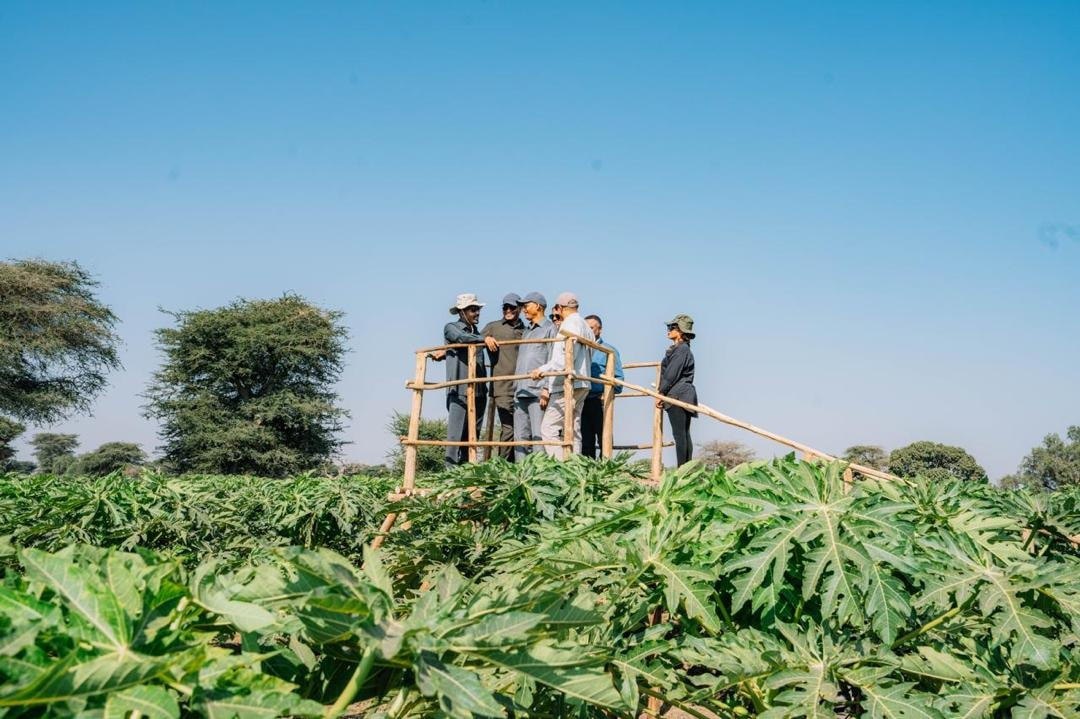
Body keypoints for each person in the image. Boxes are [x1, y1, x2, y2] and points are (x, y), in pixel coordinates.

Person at [530, 292, 594, 458]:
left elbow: (565, 358)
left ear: (559, 308)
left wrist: (542, 370)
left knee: (549, 428)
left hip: (567, 383)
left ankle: (562, 465)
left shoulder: (569, 325)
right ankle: (575, 464)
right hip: (583, 381)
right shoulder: (586, 326)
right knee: (573, 427)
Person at [443, 293, 499, 466]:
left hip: (479, 391)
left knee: (473, 434)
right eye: (473, 310)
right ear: (462, 312)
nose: (477, 313)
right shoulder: (451, 328)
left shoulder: (476, 333)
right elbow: (461, 338)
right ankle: (450, 472)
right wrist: (484, 339)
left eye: (478, 309)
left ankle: (467, 469)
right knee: (455, 435)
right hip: (459, 390)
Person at [480, 293, 525, 460]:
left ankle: (517, 464)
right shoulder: (493, 327)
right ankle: (502, 465)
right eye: (505, 307)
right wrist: (485, 338)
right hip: (502, 386)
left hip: (524, 386)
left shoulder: (527, 330)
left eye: (512, 307)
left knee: (523, 427)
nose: (508, 310)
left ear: (520, 308)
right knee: (508, 426)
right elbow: (474, 339)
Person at [512, 292, 556, 461]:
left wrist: (546, 388)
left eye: (526, 306)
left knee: (539, 436)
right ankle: (521, 472)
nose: (523, 309)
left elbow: (553, 359)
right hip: (520, 389)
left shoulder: (550, 329)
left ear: (537, 306)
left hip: (537, 391)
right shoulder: (527, 331)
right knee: (520, 437)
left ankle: (540, 472)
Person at [657, 314, 698, 467]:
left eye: (672, 327)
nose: (668, 330)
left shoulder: (681, 350)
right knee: (684, 434)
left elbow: (671, 374)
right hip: (684, 394)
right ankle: (687, 469)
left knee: (680, 435)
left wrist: (660, 393)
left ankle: (682, 470)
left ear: (680, 331)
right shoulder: (681, 349)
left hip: (678, 395)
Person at [581, 315, 624, 459]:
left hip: (600, 400)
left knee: (604, 437)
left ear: (600, 330)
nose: (588, 331)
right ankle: (587, 470)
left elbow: (618, 380)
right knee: (585, 441)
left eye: (591, 328)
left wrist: (607, 393)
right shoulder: (579, 349)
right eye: (585, 328)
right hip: (582, 400)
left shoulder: (609, 351)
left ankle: (605, 469)